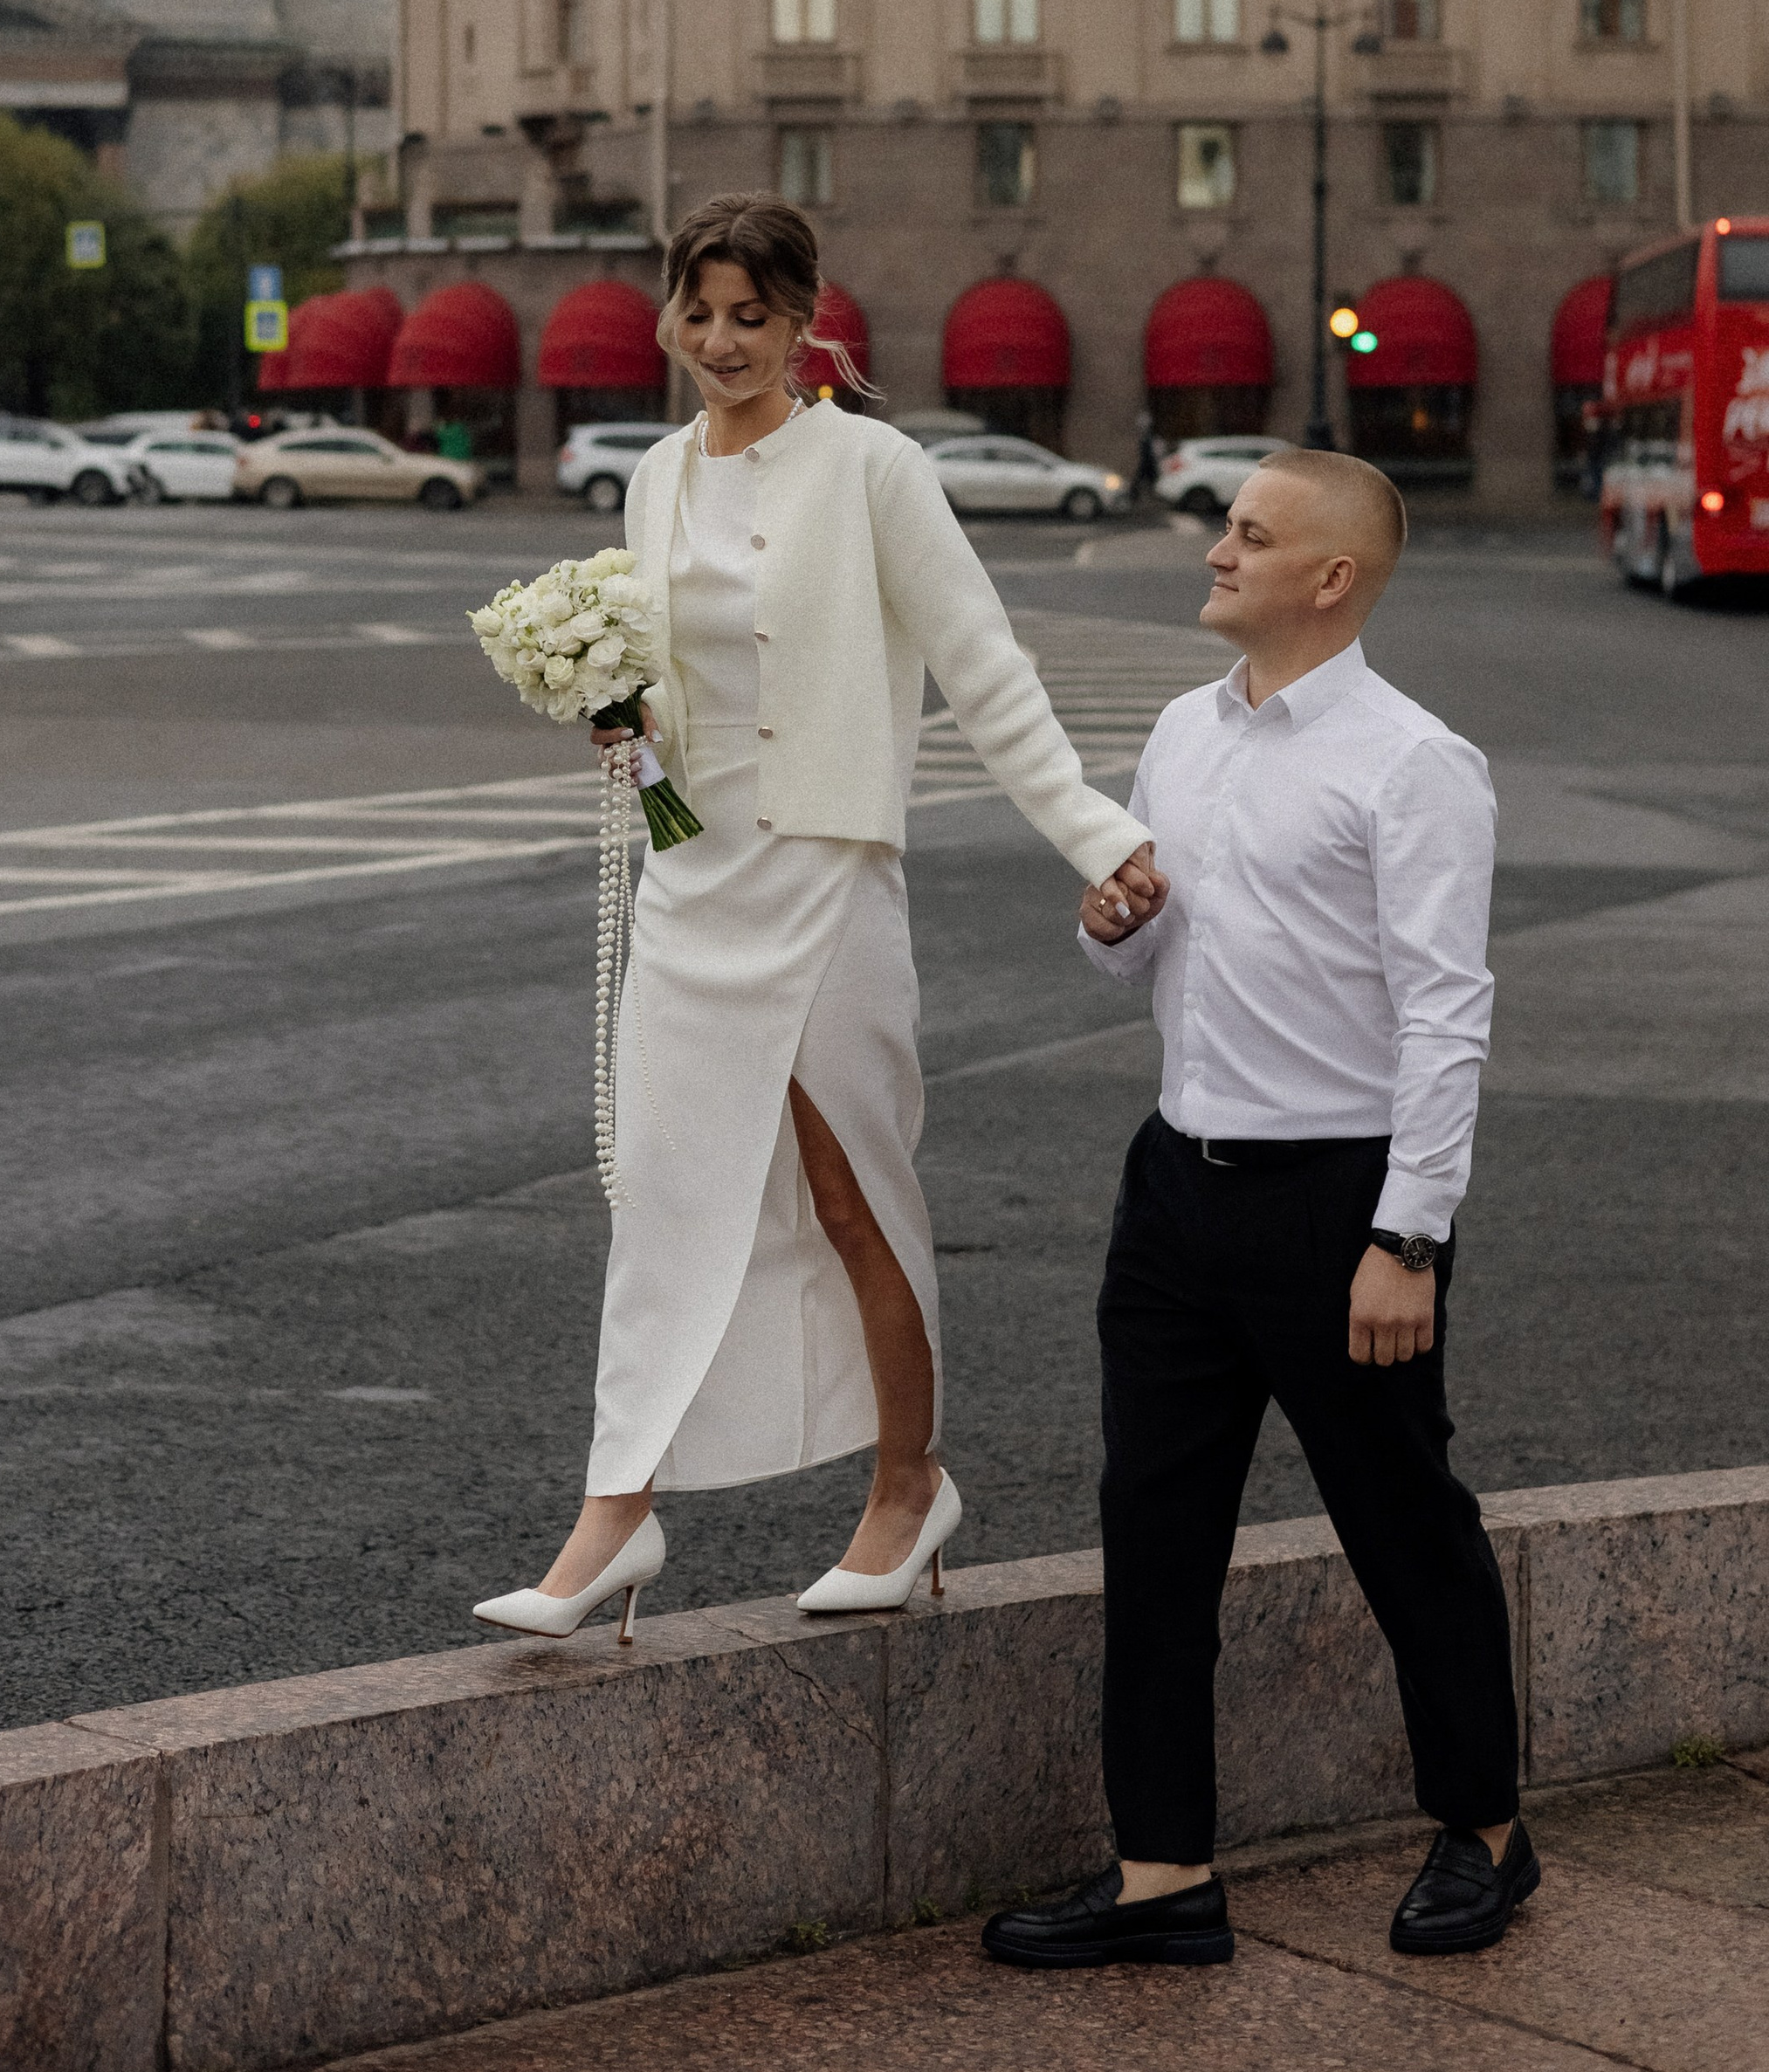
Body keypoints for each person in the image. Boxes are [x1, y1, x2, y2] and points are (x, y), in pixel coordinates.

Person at [472, 194, 1166, 1646]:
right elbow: (676, 667)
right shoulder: (655, 475)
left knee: (853, 1197)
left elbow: (984, 666)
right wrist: (620, 714)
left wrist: (1099, 836)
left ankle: (910, 1489)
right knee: (664, 1200)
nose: (720, 343)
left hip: (827, 877)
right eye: (698, 314)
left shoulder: (874, 468)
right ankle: (618, 1516)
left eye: (751, 317)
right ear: (671, 314)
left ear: (803, 324)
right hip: (694, 881)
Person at [984, 449, 1533, 1978]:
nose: (1216, 551)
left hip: (1341, 1204)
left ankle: (1485, 1829)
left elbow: (1448, 1017)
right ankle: (1165, 1876)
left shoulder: (1414, 762)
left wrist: (1407, 1235)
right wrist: (1111, 922)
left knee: (1403, 1524)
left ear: (1332, 578)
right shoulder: (1181, 730)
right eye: (1227, 529)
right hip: (1176, 1190)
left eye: (1249, 533)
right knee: (1152, 1533)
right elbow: (1150, 961)